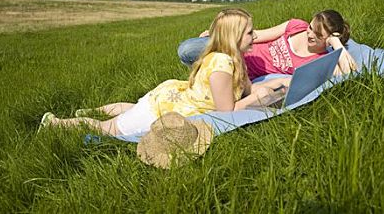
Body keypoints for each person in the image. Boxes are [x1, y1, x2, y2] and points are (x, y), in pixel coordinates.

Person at [40, 8, 290, 136]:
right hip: (164, 109)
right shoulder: (222, 64)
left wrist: (279, 85)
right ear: (234, 36)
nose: (255, 36)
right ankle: (55, 124)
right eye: (249, 32)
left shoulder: (237, 59)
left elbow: (245, 90)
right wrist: (258, 99)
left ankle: (90, 110)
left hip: (173, 98)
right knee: (109, 130)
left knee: (130, 108)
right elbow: (227, 112)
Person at [178, 9, 358, 80]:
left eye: (317, 34)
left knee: (200, 64)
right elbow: (257, 35)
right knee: (186, 50)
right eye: (310, 28)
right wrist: (223, 35)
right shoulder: (297, 26)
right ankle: (204, 69)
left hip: (241, 69)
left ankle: (205, 71)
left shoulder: (321, 59)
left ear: (328, 39)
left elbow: (351, 72)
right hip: (240, 47)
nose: (309, 34)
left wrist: (336, 42)